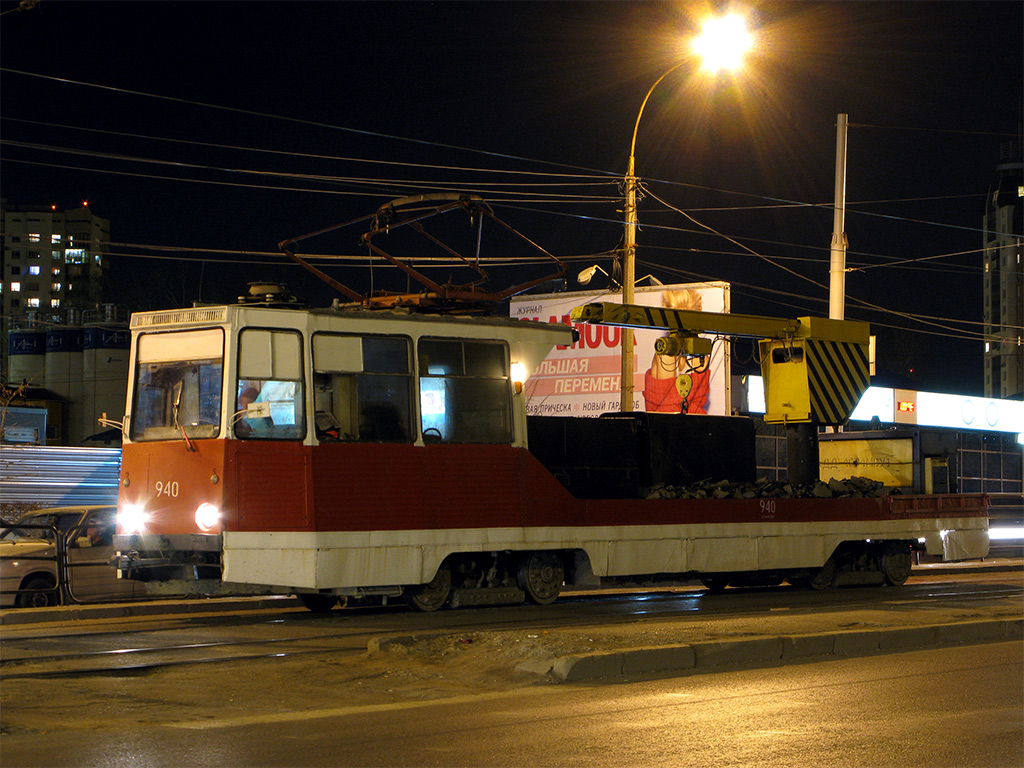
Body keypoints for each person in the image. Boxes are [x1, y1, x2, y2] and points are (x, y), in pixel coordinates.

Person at [642, 288, 711, 414]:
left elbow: (698, 407)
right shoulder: (665, 354)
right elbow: (665, 409)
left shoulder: (700, 357)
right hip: (664, 429)